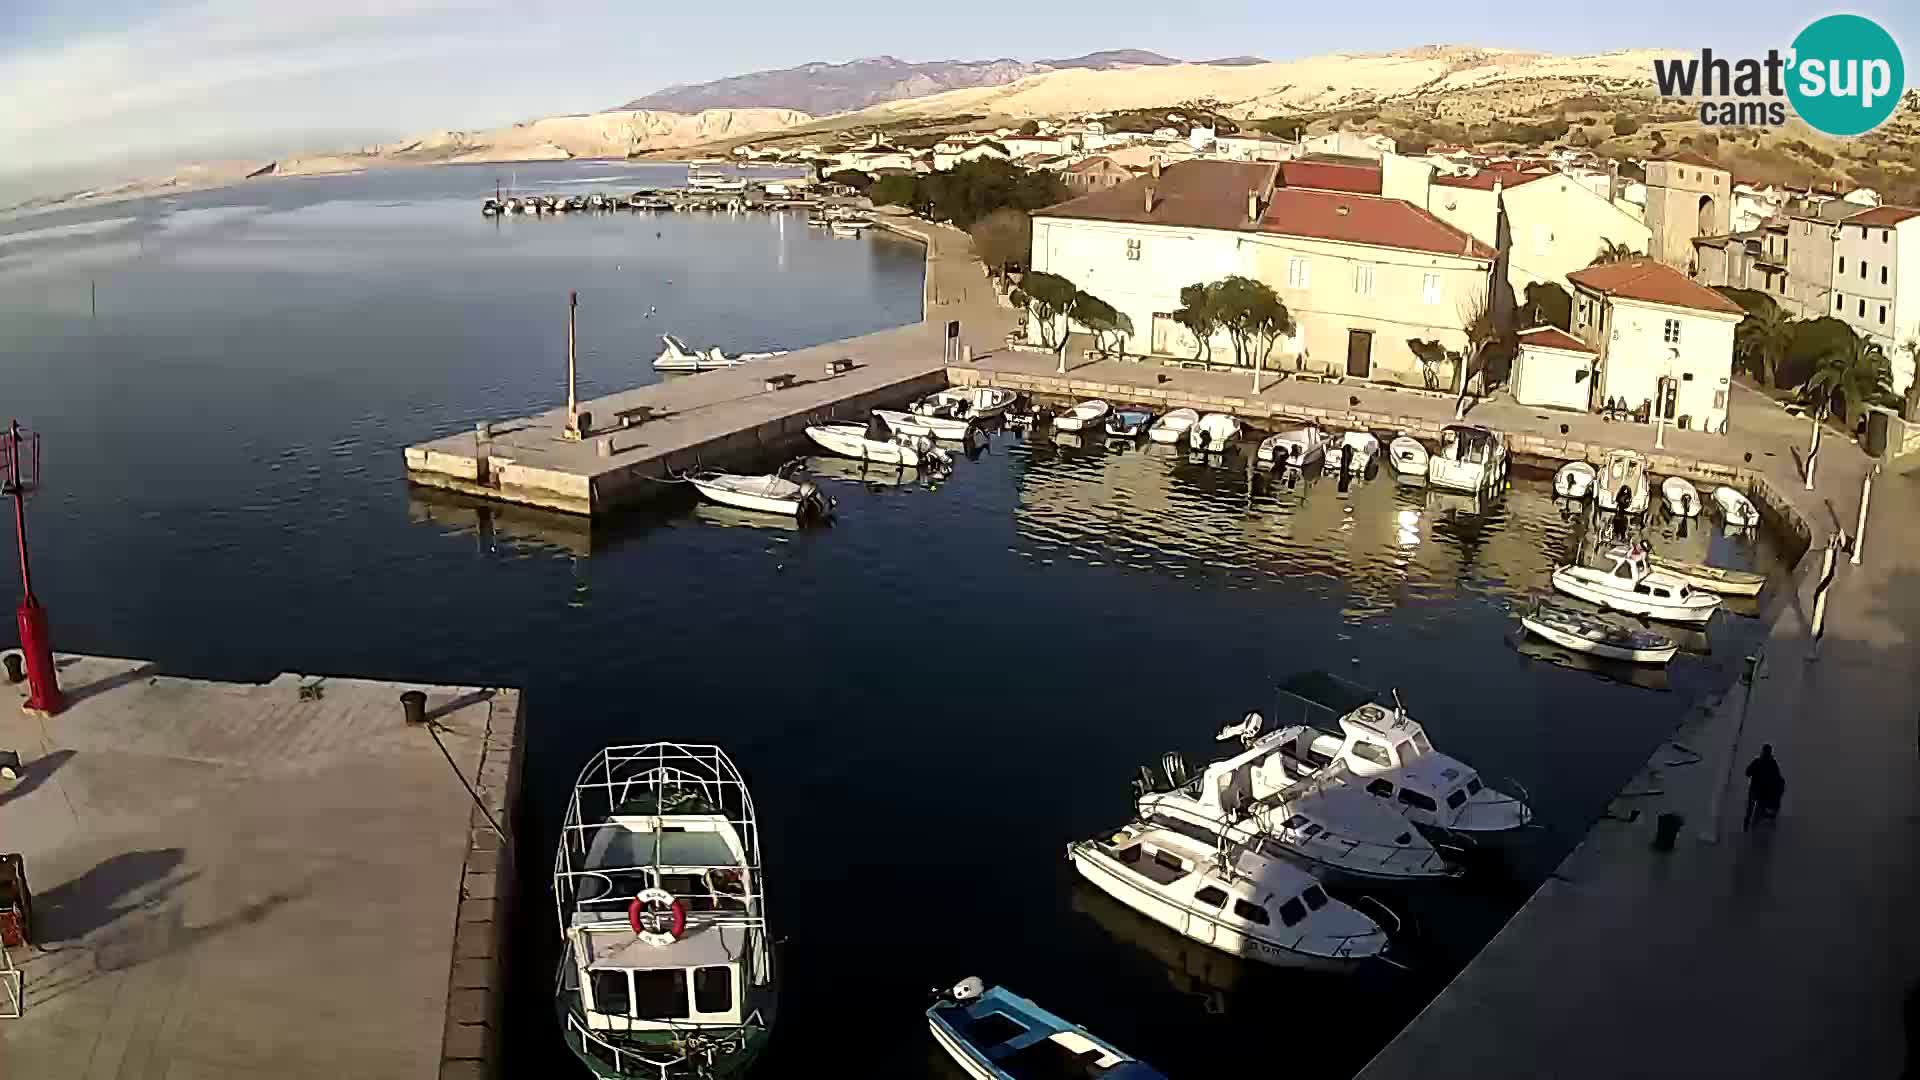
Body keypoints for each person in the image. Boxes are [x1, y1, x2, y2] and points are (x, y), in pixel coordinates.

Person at [1743, 744, 1785, 830]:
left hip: (1754, 789)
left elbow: (1747, 772)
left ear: (1762, 752)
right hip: (1764, 793)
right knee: (1758, 810)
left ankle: (1746, 825)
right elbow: (1777, 777)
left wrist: (1754, 773)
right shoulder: (1773, 763)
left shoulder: (1757, 761)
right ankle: (1753, 827)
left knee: (1750, 808)